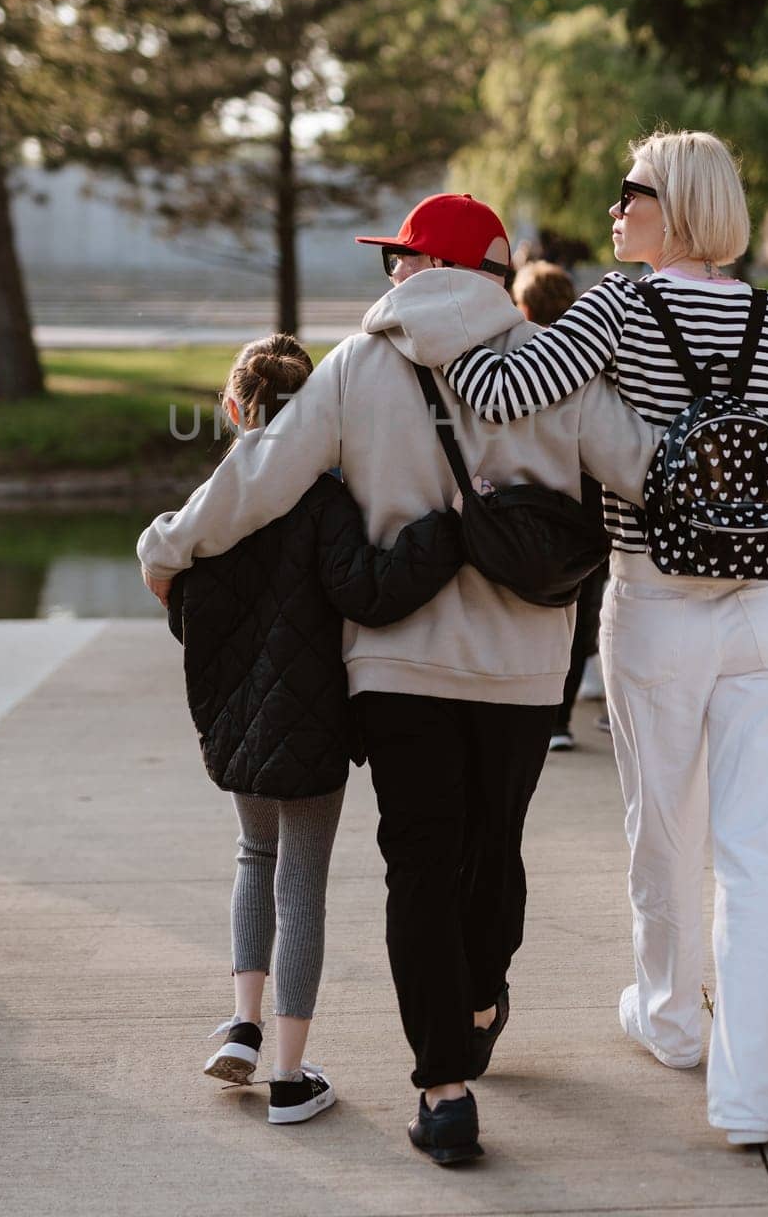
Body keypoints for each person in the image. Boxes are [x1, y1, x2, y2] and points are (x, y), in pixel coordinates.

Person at [138, 193, 662, 1166]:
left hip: (397, 666)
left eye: (396, 260)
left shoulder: (356, 367)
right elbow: (644, 472)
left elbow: (257, 477)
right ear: (496, 274)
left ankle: (443, 1088)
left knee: (417, 864)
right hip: (521, 664)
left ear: (418, 269)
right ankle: (475, 995)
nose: (390, 276)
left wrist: (165, 545)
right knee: (490, 848)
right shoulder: (552, 367)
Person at [441, 131, 768, 1147]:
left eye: (632, 191)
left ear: (678, 206)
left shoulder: (616, 309)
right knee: (763, 857)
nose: (613, 207)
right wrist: (754, 526)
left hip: (656, 606)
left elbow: (493, 393)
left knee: (661, 830)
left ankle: (668, 1019)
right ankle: (748, 1101)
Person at [165, 333, 465, 1126]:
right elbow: (368, 593)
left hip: (233, 722)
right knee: (301, 884)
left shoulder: (213, 508)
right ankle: (291, 1078)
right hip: (313, 720)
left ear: (234, 409)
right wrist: (441, 531)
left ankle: (243, 1021)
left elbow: (185, 611)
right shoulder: (327, 504)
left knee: (252, 855)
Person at [511, 261, 609, 751]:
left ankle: (538, 708)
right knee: (583, 606)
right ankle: (560, 719)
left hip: (534, 503)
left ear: (523, 307)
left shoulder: (520, 363)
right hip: (590, 506)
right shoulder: (587, 360)